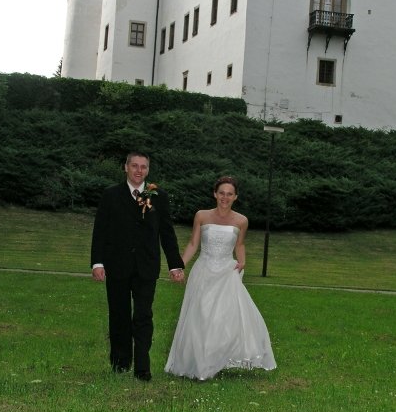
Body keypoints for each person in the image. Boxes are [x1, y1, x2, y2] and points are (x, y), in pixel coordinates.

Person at [165, 176, 276, 380]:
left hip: (226, 273)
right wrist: (179, 266)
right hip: (203, 271)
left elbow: (239, 245)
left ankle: (214, 360)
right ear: (215, 194)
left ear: (235, 197)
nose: (225, 197)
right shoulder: (201, 215)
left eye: (229, 194)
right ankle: (200, 364)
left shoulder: (241, 221)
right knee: (200, 317)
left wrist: (242, 262)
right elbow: (193, 244)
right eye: (221, 193)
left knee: (221, 319)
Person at [91, 151, 184, 381]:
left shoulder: (158, 196)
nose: (138, 170)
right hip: (117, 265)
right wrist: (97, 262)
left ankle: (143, 367)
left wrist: (175, 264)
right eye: (134, 166)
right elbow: (100, 231)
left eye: (143, 167)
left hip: (146, 267)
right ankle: (120, 362)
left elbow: (167, 232)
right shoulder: (111, 195)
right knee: (119, 315)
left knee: (143, 316)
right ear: (126, 167)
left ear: (148, 170)